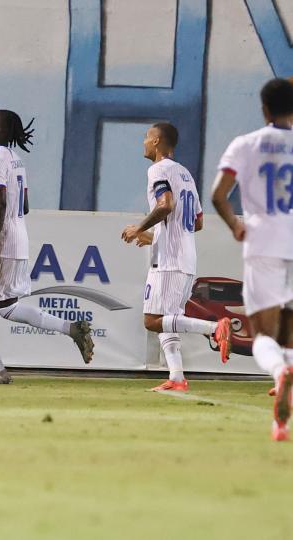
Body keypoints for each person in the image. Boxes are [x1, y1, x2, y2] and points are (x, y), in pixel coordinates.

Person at [0, 110, 94, 384]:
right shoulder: (15, 159)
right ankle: (71, 328)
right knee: (7, 306)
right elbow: (23, 206)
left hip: (0, 243)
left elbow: (0, 203)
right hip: (18, 242)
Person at [211, 78, 293, 441]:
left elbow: (218, 194)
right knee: (289, 334)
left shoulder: (245, 145)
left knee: (263, 335)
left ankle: (279, 373)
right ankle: (282, 423)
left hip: (264, 243)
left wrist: (235, 225)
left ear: (264, 110)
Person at [122, 123, 231, 392]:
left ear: (157, 141)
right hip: (184, 258)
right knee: (167, 320)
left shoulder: (158, 170)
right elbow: (197, 222)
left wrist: (139, 228)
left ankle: (214, 328)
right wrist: (155, 236)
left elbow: (166, 205)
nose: (143, 142)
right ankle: (177, 377)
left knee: (152, 320)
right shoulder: (185, 174)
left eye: (147, 137)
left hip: (169, 261)